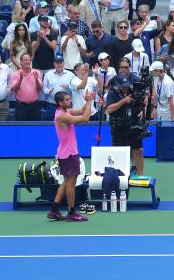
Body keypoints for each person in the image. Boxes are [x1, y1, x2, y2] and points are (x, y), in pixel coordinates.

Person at [49, 89, 94, 222]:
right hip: (69, 154)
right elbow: (85, 118)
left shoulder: (65, 111)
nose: (70, 101)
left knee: (66, 182)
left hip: (66, 153)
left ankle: (54, 210)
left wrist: (87, 100)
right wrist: (89, 101)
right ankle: (72, 213)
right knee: (71, 183)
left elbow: (81, 111)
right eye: (67, 100)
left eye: (70, 99)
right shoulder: (62, 116)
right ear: (60, 103)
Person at [104, 58, 147, 175]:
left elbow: (143, 101)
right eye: (123, 86)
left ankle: (140, 176)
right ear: (118, 85)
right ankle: (120, 177)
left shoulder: (132, 89)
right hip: (119, 126)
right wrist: (123, 101)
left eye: (126, 85)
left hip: (132, 124)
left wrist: (142, 107)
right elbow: (109, 109)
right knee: (119, 153)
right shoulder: (112, 92)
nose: (125, 87)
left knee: (138, 151)